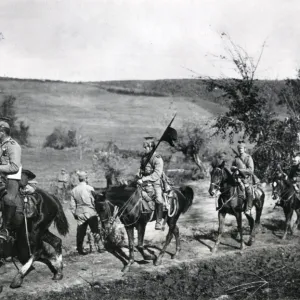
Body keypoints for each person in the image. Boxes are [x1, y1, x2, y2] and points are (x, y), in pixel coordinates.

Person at [70, 171, 104, 255]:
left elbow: (72, 205)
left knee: (80, 232)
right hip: (90, 211)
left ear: (79, 179)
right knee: (95, 230)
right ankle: (100, 247)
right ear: (85, 178)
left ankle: (80, 249)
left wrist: (75, 214)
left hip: (80, 213)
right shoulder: (90, 188)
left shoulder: (74, 190)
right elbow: (94, 201)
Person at [0, 118, 22, 240]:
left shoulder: (13, 146)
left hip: (11, 177)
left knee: (8, 199)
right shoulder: (1, 145)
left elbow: (14, 166)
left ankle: (6, 229)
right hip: (1, 177)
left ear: (2, 132)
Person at [137, 137, 165, 230]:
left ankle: (158, 221)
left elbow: (157, 174)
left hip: (155, 183)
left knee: (159, 199)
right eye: (144, 147)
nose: (144, 149)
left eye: (146, 147)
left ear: (151, 147)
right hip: (143, 182)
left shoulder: (157, 158)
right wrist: (138, 173)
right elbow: (141, 168)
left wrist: (144, 179)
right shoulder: (144, 157)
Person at [231, 141, 254, 212]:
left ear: (245, 149)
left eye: (241, 148)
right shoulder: (236, 158)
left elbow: (251, 170)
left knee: (248, 191)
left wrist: (239, 170)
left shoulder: (248, 157)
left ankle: (248, 208)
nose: (240, 150)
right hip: (237, 178)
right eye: (239, 148)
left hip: (246, 179)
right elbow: (231, 168)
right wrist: (234, 168)